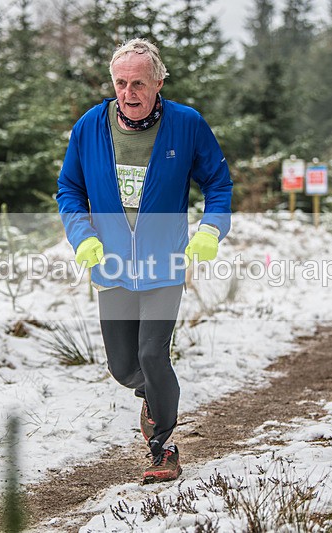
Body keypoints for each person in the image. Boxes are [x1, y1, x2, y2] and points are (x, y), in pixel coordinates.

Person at [56, 38, 232, 483]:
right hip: (110, 263)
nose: (128, 93)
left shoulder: (186, 125)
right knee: (122, 367)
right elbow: (69, 191)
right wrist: (83, 238)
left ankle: (164, 447)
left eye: (138, 83)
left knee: (153, 352)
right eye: (120, 82)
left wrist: (210, 230)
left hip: (163, 263)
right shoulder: (90, 127)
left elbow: (219, 184)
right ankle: (157, 396)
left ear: (157, 82)